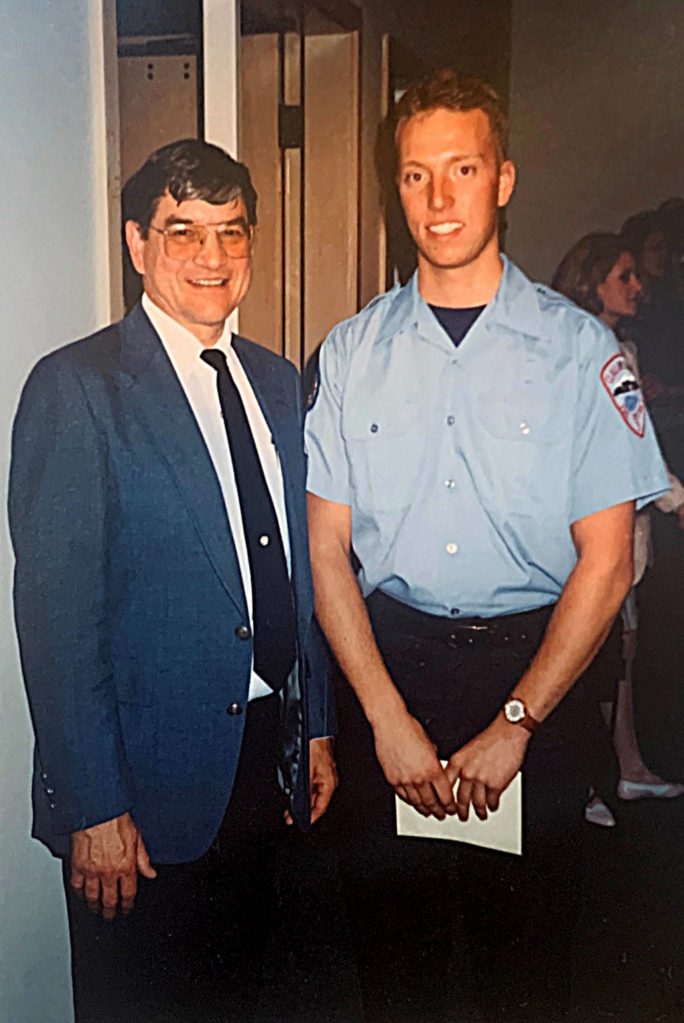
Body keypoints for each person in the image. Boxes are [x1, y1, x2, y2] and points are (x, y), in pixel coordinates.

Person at [304, 69, 669, 1022]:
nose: (437, 198)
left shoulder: (578, 352)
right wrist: (382, 717)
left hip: (534, 677)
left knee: (531, 969)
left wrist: (517, 722)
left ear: (502, 178)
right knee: (396, 971)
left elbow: (609, 559)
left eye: (461, 169)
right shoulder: (349, 355)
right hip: (391, 669)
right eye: (416, 174)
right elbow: (327, 550)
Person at [9, 139, 336, 1023]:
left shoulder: (275, 382)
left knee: (252, 995)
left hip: (267, 759)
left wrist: (315, 725)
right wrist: (93, 805)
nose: (213, 257)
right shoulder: (77, 387)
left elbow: (297, 567)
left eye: (232, 232)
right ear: (136, 242)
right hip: (142, 790)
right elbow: (55, 616)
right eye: (183, 231)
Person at [553, 232, 684, 827]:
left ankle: (625, 766)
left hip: (627, 532)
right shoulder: (591, 347)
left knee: (620, 655)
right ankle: (582, 782)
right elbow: (635, 445)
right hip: (598, 534)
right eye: (624, 276)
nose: (638, 287)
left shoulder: (615, 344)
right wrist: (677, 498)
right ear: (593, 281)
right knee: (590, 659)